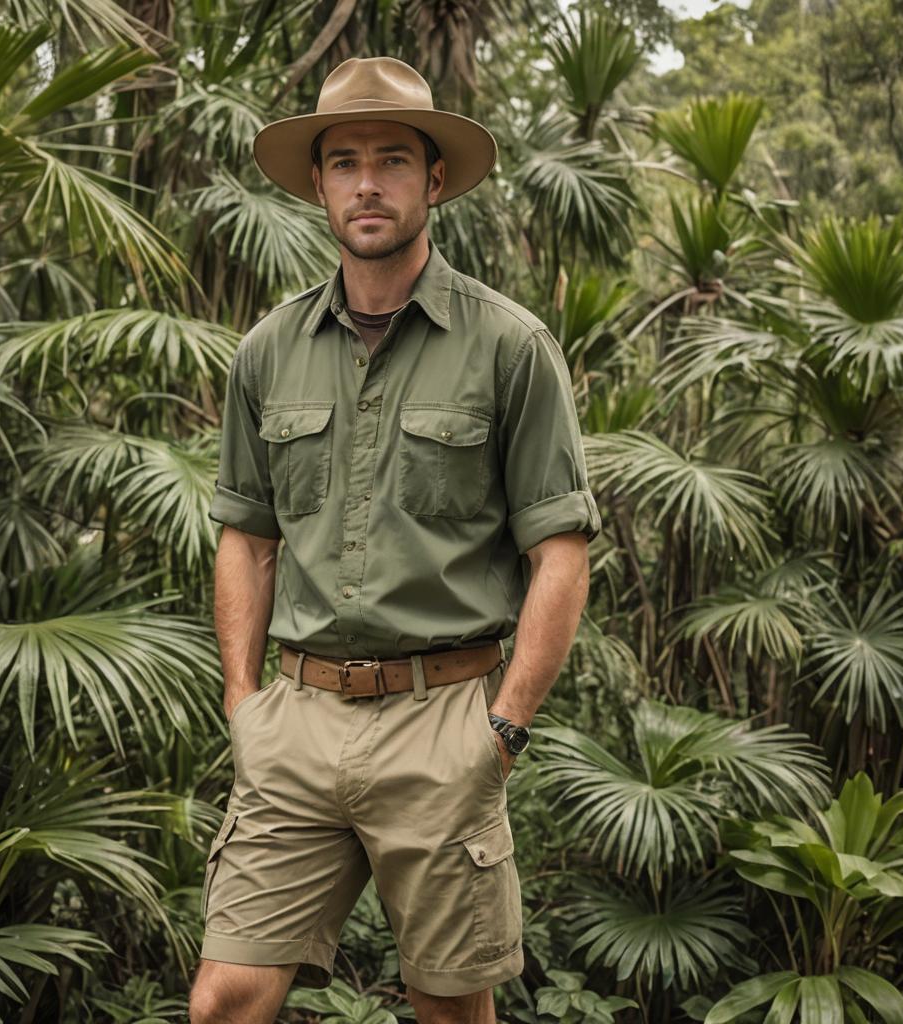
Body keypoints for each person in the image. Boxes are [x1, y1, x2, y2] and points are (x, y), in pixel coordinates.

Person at [189, 55, 602, 1024]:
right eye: (343, 162)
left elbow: (561, 553)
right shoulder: (269, 349)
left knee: (449, 1008)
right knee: (223, 1000)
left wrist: (500, 731)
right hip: (295, 721)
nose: (365, 183)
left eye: (390, 160)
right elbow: (245, 537)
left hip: (445, 716)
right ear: (320, 184)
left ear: (435, 178)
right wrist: (244, 703)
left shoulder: (508, 346)